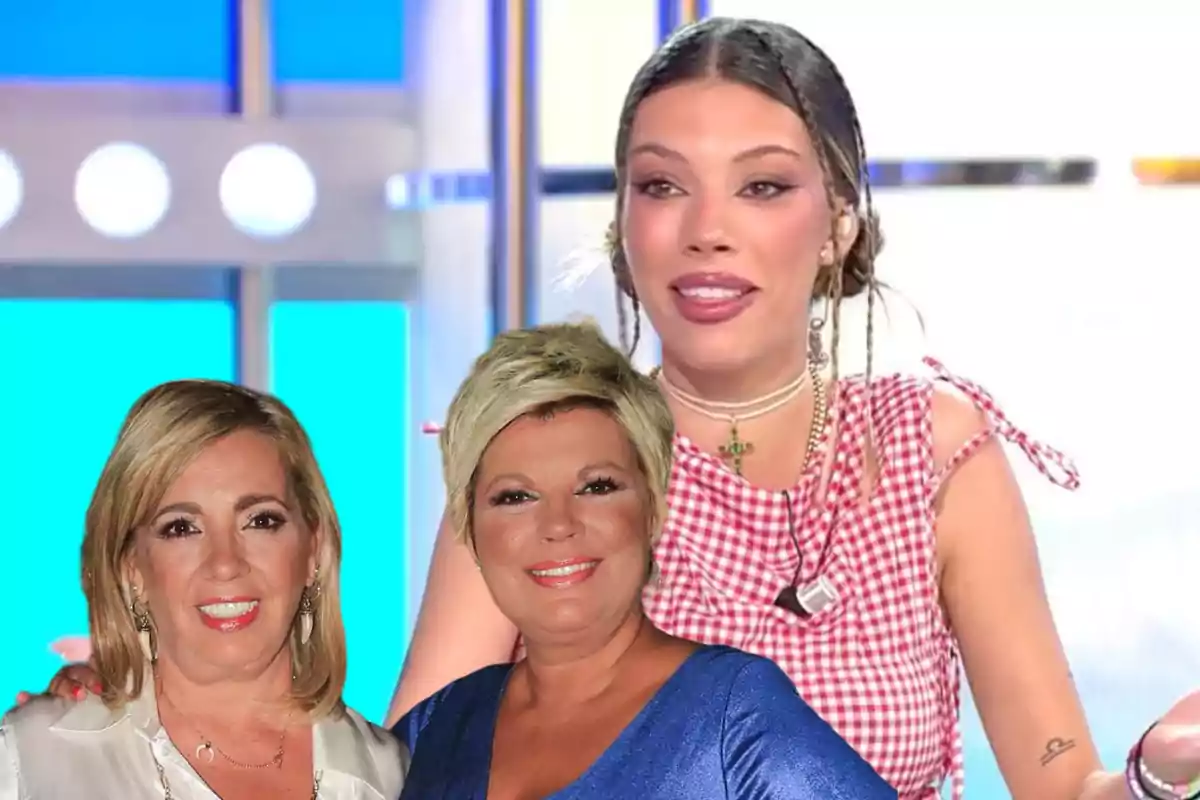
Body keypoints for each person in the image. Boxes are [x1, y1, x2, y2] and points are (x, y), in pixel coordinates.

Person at [25, 15, 1200, 800]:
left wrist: (1157, 772)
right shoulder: (536, 463)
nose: (705, 227)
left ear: (838, 218)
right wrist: (160, 706)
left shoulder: (934, 454)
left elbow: (1061, 780)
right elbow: (416, 768)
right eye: (660, 185)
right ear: (625, 224)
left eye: (764, 184)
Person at [396, 321, 893, 798]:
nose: (559, 525)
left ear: (653, 509)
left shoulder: (732, 716)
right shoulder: (436, 726)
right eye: (515, 497)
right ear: (471, 530)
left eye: (597, 487)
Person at [0, 380, 407, 798]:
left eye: (261, 520)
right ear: (132, 568)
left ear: (313, 551)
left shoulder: (392, 776)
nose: (225, 563)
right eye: (181, 528)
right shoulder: (31, 758)